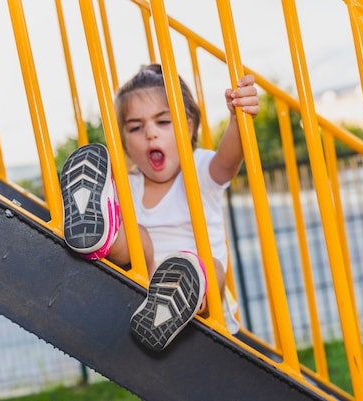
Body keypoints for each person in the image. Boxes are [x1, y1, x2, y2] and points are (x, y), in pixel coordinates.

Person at [60, 64, 259, 352]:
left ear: (188, 127)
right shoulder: (129, 187)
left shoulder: (199, 171)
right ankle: (99, 235)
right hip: (143, 294)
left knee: (210, 266)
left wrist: (239, 120)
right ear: (125, 143)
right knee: (136, 237)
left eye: (163, 122)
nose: (150, 134)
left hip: (204, 307)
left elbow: (227, 161)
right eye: (136, 127)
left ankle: (184, 290)